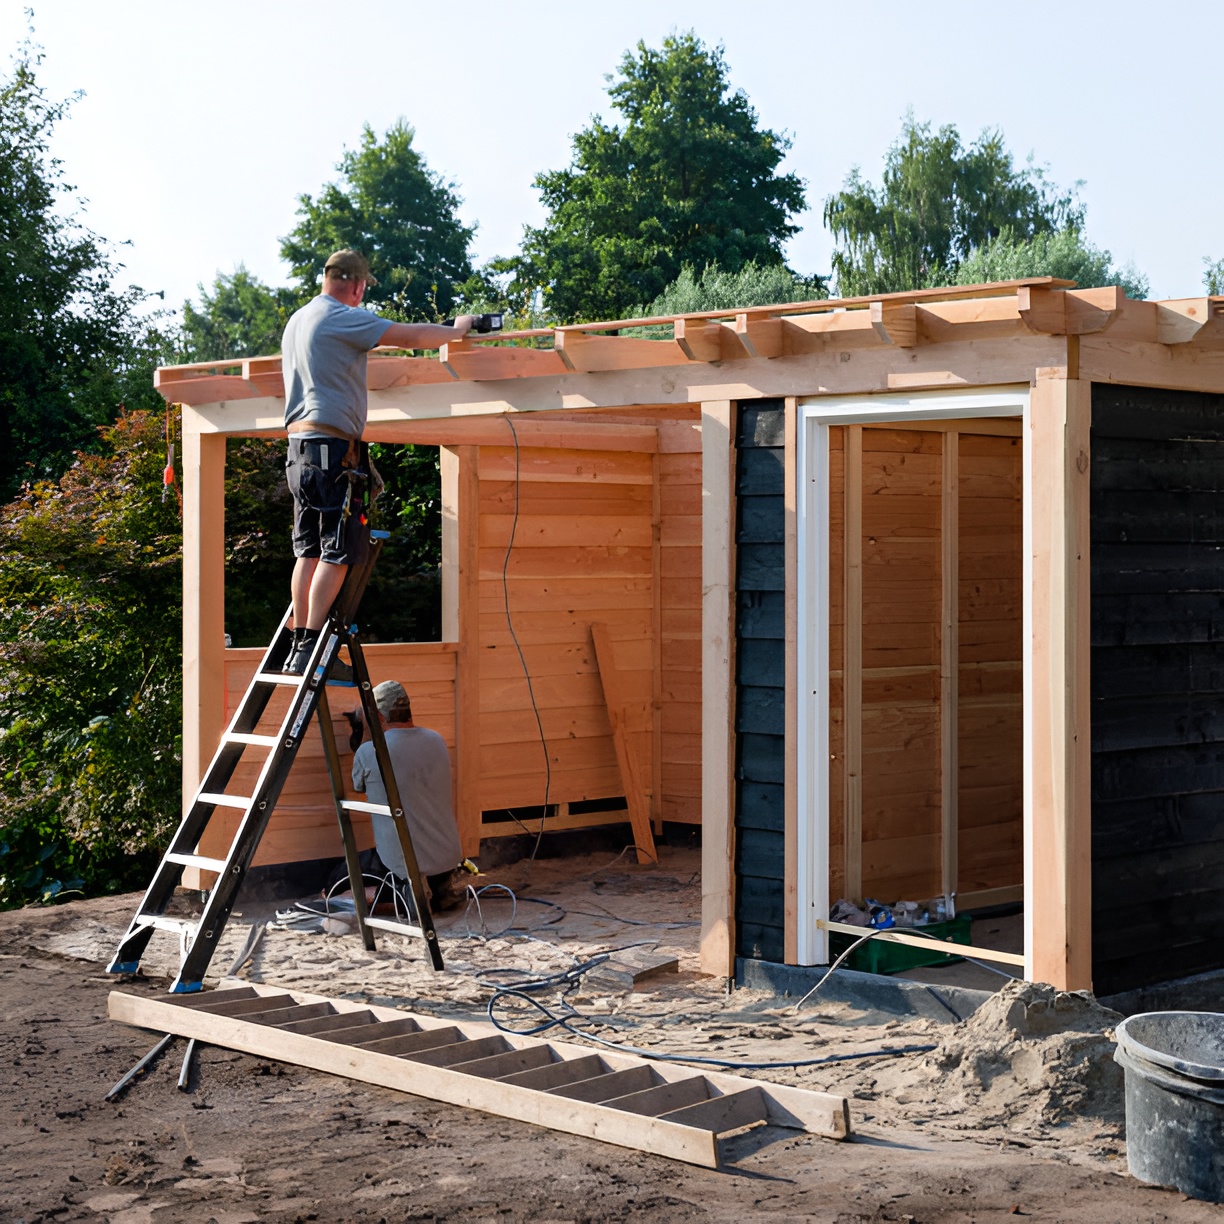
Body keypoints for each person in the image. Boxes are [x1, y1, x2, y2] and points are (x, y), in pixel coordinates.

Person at [280, 249, 474, 676]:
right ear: (357, 285)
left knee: (308, 550)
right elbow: (406, 336)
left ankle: (298, 645)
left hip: (300, 451)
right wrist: (455, 331)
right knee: (337, 551)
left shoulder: (299, 320)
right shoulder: (340, 317)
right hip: (331, 449)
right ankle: (311, 645)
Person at [350, 680, 465, 912]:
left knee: (339, 878)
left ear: (379, 716)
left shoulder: (370, 750)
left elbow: (358, 786)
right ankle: (439, 888)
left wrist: (366, 730)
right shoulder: (436, 740)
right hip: (447, 857)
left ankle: (402, 899)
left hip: (404, 864)